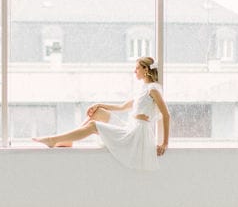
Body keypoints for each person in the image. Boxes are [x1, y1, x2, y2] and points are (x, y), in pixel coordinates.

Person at [32, 56, 169, 171]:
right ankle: (68, 140)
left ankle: (53, 140)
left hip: (137, 134)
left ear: (146, 69)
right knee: (99, 113)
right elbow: (122, 107)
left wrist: (164, 143)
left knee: (93, 125)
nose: (134, 71)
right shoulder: (143, 89)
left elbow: (166, 114)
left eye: (137, 68)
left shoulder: (153, 89)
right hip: (131, 127)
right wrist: (99, 104)